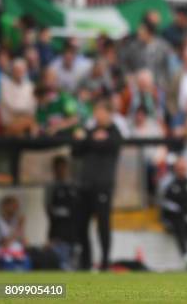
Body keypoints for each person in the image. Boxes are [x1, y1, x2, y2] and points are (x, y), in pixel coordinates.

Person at [74, 99, 122, 270]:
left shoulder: (115, 132)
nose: (97, 116)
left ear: (109, 114)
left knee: (103, 225)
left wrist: (89, 139)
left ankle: (104, 261)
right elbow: (76, 150)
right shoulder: (90, 131)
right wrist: (90, 138)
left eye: (101, 112)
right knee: (81, 225)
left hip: (103, 186)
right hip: (85, 185)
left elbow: (107, 145)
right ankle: (85, 262)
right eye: (96, 112)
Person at [44, 155, 79, 270]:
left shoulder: (73, 185)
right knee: (56, 251)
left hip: (71, 227)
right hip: (56, 226)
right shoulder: (51, 186)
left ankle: (71, 266)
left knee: (72, 251)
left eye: (63, 167)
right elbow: (47, 206)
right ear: (54, 169)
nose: (61, 170)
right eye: (58, 168)